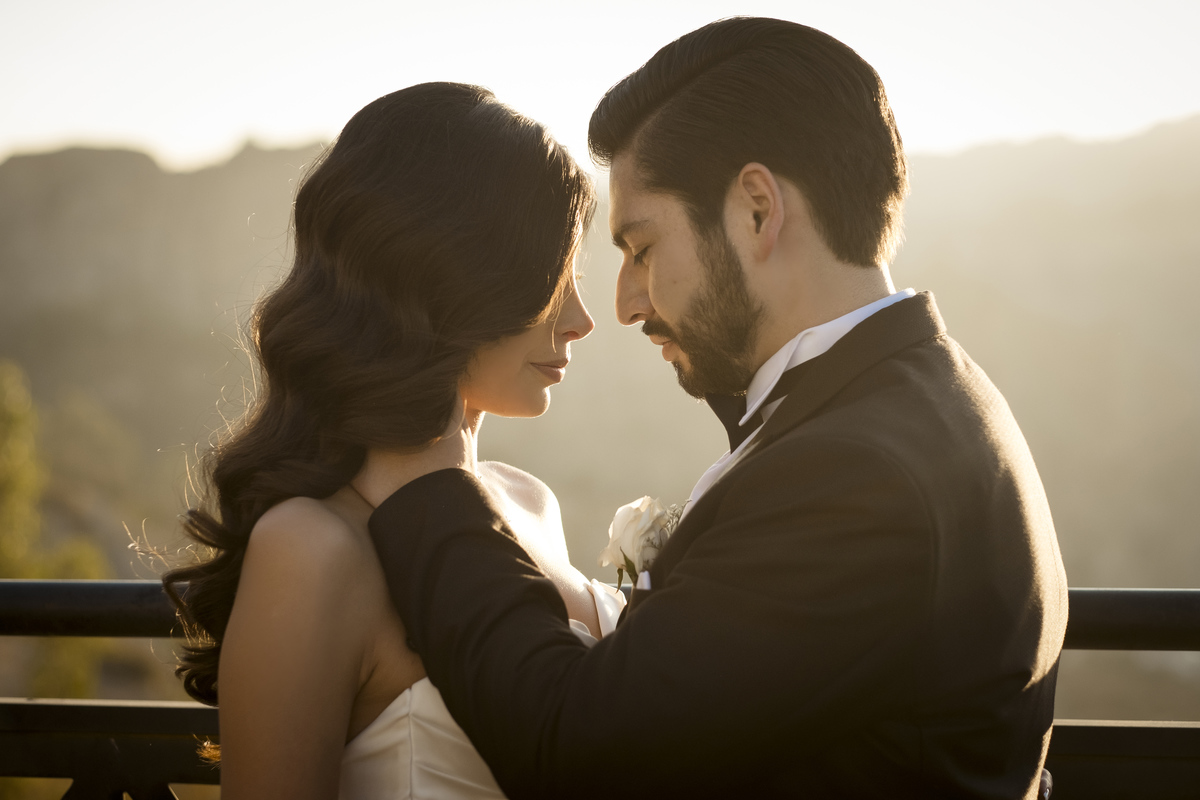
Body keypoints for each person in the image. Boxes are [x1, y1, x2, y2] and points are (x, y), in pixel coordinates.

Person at [360, 17, 1069, 800]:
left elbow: (582, 752)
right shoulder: (937, 400)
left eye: (641, 249)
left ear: (757, 210)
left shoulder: (857, 476)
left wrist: (431, 485)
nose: (626, 305)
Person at [162, 82, 626, 799]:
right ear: (452, 278)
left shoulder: (533, 502)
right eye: (552, 280)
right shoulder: (311, 549)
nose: (581, 320)